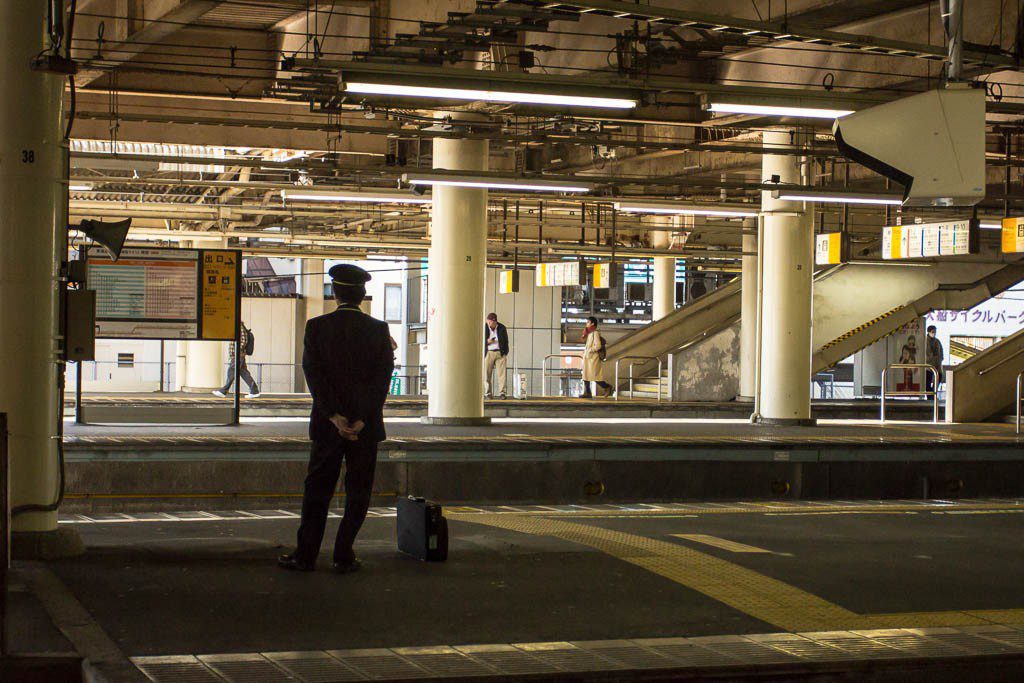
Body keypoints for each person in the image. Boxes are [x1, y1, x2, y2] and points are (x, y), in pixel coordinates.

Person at [278, 264, 395, 573]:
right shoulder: (378, 330)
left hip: (328, 428)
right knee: (358, 491)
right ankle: (344, 554)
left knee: (317, 491)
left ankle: (305, 556)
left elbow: (312, 374)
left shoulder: (316, 327)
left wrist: (333, 415)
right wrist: (362, 419)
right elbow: (382, 380)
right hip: (364, 430)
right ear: (362, 295)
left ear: (335, 292)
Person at [212, 322, 260, 398]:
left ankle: (223, 391)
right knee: (244, 373)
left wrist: (238, 350)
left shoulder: (239, 327)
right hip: (238, 355)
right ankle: (254, 391)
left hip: (238, 355)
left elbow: (243, 341)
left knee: (231, 371)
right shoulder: (237, 327)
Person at [580, 316, 613, 398]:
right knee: (585, 375)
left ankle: (607, 387)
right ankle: (587, 392)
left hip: (593, 358)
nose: (586, 324)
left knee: (595, 376)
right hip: (588, 357)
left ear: (592, 323)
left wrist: (589, 350)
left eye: (588, 322)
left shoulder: (595, 333)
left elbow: (598, 346)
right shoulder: (589, 333)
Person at [483, 312, 509, 399]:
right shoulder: (484, 327)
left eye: (493, 322)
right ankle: (488, 393)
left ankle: (502, 393)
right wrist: (487, 342)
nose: (491, 324)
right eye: (490, 322)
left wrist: (505, 353)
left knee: (502, 375)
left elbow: (506, 341)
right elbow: (479, 340)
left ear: (496, 322)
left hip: (500, 353)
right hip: (488, 352)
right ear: (487, 321)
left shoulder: (502, 328)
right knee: (487, 374)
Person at [926, 325, 944, 394]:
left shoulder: (937, 341)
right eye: (933, 332)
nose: (934, 333)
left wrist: (940, 359)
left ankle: (933, 393)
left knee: (939, 377)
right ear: (929, 332)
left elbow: (941, 351)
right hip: (928, 365)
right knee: (927, 381)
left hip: (937, 364)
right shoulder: (925, 341)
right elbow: (927, 354)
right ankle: (930, 395)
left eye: (935, 332)